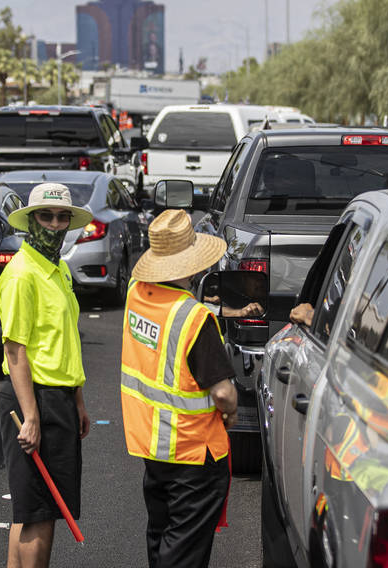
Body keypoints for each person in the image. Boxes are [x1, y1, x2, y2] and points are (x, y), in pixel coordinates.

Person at [120, 209, 238, 568]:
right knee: (183, 553)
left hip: (152, 447)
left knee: (161, 539)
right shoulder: (193, 317)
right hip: (192, 452)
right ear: (191, 263)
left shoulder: (136, 294)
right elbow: (223, 394)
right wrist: (231, 411)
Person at [0, 183, 93, 568]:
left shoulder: (60, 269)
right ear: (31, 221)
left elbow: (65, 338)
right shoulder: (22, 274)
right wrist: (32, 416)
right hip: (34, 398)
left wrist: (78, 400)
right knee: (38, 510)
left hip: (60, 398)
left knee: (32, 508)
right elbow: (15, 350)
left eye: (62, 217)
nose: (55, 225)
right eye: (46, 216)